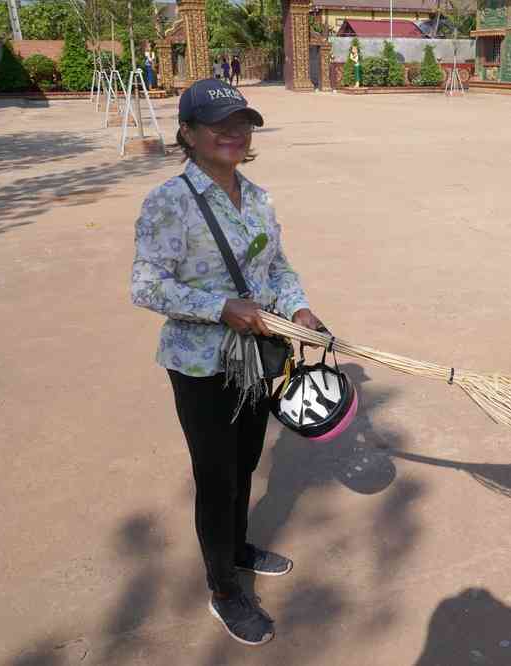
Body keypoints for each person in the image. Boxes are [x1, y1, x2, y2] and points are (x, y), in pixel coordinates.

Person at [131, 79, 324, 646]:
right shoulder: (169, 201)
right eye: (218, 124)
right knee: (215, 479)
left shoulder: (258, 198)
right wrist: (220, 307)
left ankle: (237, 549)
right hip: (200, 366)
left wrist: (300, 308)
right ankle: (223, 589)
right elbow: (145, 286)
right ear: (187, 133)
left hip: (257, 358)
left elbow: (279, 269)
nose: (234, 133)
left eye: (242, 122)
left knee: (244, 463)